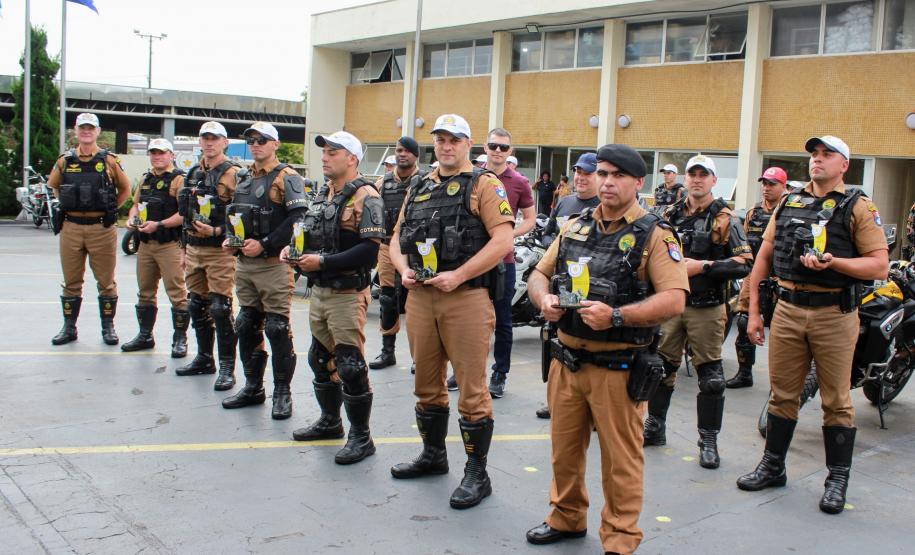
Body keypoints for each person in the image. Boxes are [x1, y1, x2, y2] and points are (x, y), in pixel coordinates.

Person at [524, 143, 687, 555]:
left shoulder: (655, 233)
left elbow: (674, 299)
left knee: (620, 463)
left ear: (638, 182)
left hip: (618, 367)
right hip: (567, 362)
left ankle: (619, 539)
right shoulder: (575, 225)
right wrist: (544, 301)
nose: (608, 182)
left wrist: (617, 316)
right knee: (564, 452)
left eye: (617, 175)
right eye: (603, 174)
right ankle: (566, 517)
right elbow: (539, 274)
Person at [737, 136, 888, 515]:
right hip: (786, 310)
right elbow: (763, 258)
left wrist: (834, 263)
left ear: (844, 165)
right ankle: (773, 466)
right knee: (782, 394)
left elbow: (878, 266)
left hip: (834, 314)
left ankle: (837, 478)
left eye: (827, 155)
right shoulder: (789, 201)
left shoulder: (859, 207)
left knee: (836, 400)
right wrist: (754, 311)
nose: (817, 161)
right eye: (814, 155)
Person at [388, 114, 513, 509]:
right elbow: (395, 238)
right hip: (421, 297)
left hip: (466, 298)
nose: (446, 146)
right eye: (440, 139)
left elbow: (503, 240)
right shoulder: (420, 185)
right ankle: (433, 455)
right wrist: (403, 268)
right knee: (426, 383)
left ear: (468, 143)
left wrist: (458, 275)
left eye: (454, 139)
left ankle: (477, 473)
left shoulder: (484, 185)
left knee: (472, 392)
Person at [644, 155, 752, 469]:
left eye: (704, 175)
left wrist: (703, 266)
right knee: (660, 369)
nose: (697, 179)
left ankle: (708, 440)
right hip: (670, 305)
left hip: (706, 307)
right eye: (692, 174)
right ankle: (655, 427)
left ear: (714, 181)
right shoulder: (669, 214)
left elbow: (745, 263)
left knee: (712, 379)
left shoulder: (725, 219)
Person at [289, 130, 385, 465]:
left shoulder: (367, 196)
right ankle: (330, 421)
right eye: (325, 151)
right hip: (321, 290)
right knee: (319, 359)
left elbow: (370, 250)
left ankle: (362, 437)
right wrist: (298, 253)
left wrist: (325, 262)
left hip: (347, 294)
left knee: (350, 365)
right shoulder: (324, 194)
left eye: (333, 151)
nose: (325, 156)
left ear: (352, 159)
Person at [219, 122, 307, 420]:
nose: (256, 144)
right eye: (251, 140)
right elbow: (236, 214)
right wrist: (232, 240)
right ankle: (253, 387)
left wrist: (267, 243)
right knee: (246, 323)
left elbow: (299, 216)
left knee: (277, 328)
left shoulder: (287, 177)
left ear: (275, 144)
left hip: (273, 265)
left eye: (262, 140)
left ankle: (282, 392)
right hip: (245, 263)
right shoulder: (243, 177)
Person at [48, 112, 131, 346]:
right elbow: (56, 187)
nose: (86, 131)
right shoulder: (65, 160)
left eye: (90, 128)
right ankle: (69, 327)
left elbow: (125, 189)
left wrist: (111, 208)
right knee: (71, 281)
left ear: (97, 131)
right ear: (76, 131)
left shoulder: (109, 160)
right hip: (71, 227)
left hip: (100, 228)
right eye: (82, 128)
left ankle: (108, 328)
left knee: (106, 281)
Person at [174, 121, 241, 391]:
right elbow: (184, 215)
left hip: (219, 251)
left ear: (225, 142)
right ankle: (204, 358)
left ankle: (227, 366)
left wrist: (217, 229)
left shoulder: (235, 174)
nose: (209, 143)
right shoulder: (191, 174)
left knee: (221, 309)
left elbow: (243, 216)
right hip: (194, 248)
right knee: (196, 305)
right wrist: (183, 249)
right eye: (205, 138)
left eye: (215, 138)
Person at [535, 152, 602, 420]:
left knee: (589, 348)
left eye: (587, 173)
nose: (580, 177)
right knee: (556, 346)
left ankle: (594, 409)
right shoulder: (564, 203)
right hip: (563, 285)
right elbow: (550, 231)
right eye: (578, 172)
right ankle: (555, 402)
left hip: (592, 288)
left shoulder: (605, 205)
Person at [121, 139, 190, 357]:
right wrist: (131, 220)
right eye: (153, 153)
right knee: (145, 292)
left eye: (161, 153)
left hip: (169, 244)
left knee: (177, 293)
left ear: (171, 155)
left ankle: (180, 339)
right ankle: (145, 335)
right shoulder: (146, 178)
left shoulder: (179, 180)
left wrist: (159, 224)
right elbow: (135, 205)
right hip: (146, 245)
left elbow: (184, 214)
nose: (157, 157)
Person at [480, 128, 535, 397]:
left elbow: (530, 220)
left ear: (510, 151)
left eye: (503, 147)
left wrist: (505, 235)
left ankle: (500, 374)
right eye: (493, 145)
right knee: (471, 319)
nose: (498, 151)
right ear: (485, 147)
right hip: (474, 261)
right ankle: (467, 370)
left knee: (503, 320)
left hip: (504, 262)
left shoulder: (520, 182)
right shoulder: (473, 176)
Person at [726, 166, 788, 388]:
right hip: (756, 274)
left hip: (782, 276)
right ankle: (745, 373)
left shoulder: (788, 210)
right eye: (764, 183)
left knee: (784, 328)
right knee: (743, 321)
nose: (766, 188)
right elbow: (744, 241)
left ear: (784, 186)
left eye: (772, 184)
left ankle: (783, 384)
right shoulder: (754, 212)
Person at [369, 136, 421, 370]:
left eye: (407, 151)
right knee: (388, 300)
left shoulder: (425, 181)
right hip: (388, 246)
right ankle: (387, 350)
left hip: (417, 249)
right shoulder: (383, 183)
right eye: (399, 150)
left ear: (415, 155)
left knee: (416, 303)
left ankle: (419, 356)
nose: (402, 154)